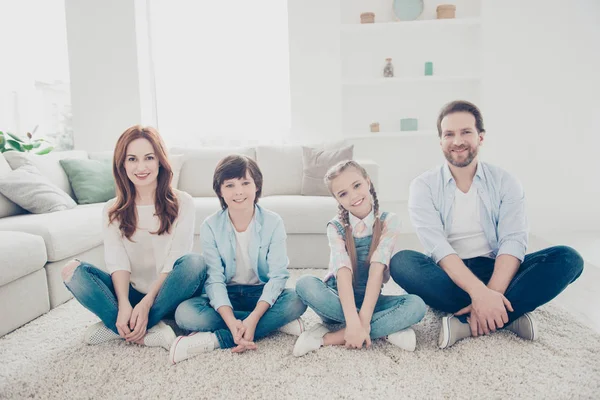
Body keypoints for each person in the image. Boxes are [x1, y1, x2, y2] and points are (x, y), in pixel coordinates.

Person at [390, 100, 584, 349]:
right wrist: (480, 294)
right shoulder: (423, 186)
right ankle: (508, 314)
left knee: (569, 260)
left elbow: (513, 242)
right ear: (440, 141)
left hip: (499, 270)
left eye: (466, 132)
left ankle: (466, 322)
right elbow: (437, 247)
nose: (457, 140)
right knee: (401, 262)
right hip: (450, 273)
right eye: (449, 134)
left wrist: (491, 292)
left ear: (480, 137)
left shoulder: (506, 182)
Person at [62, 125, 205, 351]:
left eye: (149, 157)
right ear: (122, 165)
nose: (141, 167)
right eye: (132, 159)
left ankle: (123, 327)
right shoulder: (112, 209)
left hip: (169, 292)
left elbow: (176, 257)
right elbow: (117, 261)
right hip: (131, 291)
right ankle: (143, 328)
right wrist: (124, 304)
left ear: (160, 160)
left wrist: (147, 303)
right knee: (72, 272)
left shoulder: (183, 202)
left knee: (195, 263)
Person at [170, 155, 307, 364]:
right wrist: (230, 319)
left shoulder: (273, 222)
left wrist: (253, 318)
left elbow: (278, 276)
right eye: (230, 185)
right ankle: (273, 323)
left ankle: (219, 338)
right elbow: (214, 279)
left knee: (297, 300)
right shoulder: (210, 226)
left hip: (260, 293)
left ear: (257, 186)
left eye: (245, 183)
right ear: (220, 191)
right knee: (184, 314)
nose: (239, 191)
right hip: (228, 295)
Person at [293, 160, 426, 357]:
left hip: (371, 299)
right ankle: (385, 331)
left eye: (357, 186)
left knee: (416, 305)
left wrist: (362, 322)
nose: (353, 196)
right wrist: (354, 321)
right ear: (337, 199)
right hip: (337, 298)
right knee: (304, 283)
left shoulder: (390, 221)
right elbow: (344, 275)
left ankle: (328, 338)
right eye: (343, 193)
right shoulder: (335, 227)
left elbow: (376, 272)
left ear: (368, 182)